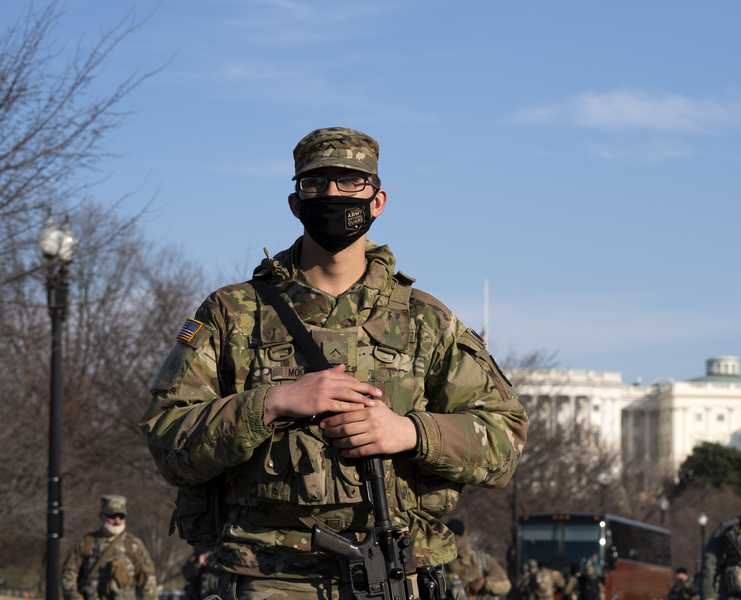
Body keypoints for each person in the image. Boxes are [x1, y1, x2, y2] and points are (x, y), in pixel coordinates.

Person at [142, 127, 528, 599]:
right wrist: (272, 403)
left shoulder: (427, 320)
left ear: (378, 200)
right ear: (295, 203)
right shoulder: (232, 313)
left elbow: (505, 441)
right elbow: (167, 437)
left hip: (394, 570)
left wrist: (409, 433)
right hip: (269, 576)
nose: (332, 194)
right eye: (316, 183)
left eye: (350, 183)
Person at [60, 495, 157, 600]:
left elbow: (148, 579)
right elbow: (68, 575)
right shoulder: (86, 543)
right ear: (102, 516)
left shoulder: (134, 545)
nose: (117, 520)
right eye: (112, 516)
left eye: (121, 516)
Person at [445, 519, 511, 600]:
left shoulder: (481, 560)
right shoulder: (442, 565)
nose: (455, 543)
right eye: (450, 539)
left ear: (464, 536)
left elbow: (505, 585)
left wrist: (485, 583)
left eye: (457, 538)